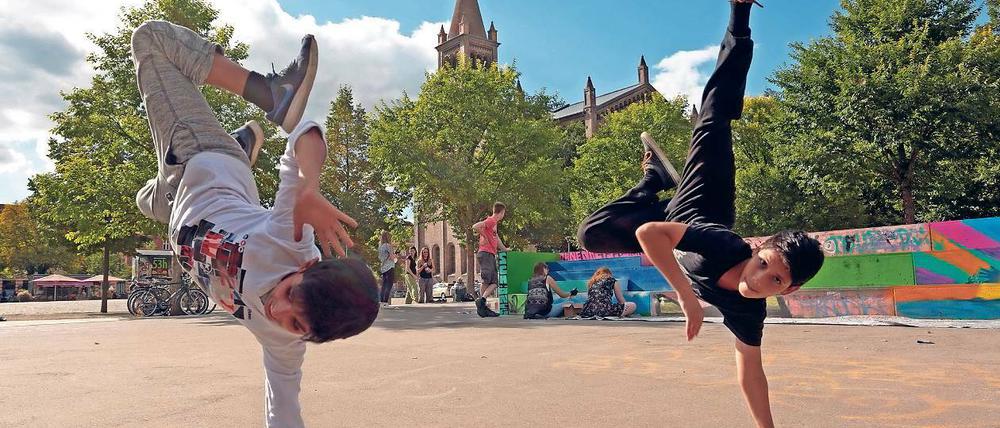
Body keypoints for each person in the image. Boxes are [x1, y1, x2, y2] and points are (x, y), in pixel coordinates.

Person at [575, 2, 824, 427]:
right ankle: (740, 15)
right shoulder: (725, 246)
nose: (758, 279)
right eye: (763, 265)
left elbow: (751, 371)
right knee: (714, 113)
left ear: (790, 289)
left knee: (591, 234)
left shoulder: (750, 312)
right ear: (757, 250)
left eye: (776, 280)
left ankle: (653, 177)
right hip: (703, 199)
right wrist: (690, 301)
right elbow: (652, 233)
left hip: (672, 222)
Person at [129, 20, 379, 427]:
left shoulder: (285, 341)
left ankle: (241, 148)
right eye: (290, 292)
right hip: (199, 156)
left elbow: (283, 410)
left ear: (308, 337)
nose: (275, 308)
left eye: (296, 323)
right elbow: (305, 131)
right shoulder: (290, 243)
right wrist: (308, 189)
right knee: (150, 42)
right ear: (303, 268)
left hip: (176, 202)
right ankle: (273, 95)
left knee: (144, 200)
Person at [471, 202, 507, 317]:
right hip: (486, 253)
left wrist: (505, 249)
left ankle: (482, 308)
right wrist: (485, 236)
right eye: (503, 213)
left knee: (486, 281)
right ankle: (481, 301)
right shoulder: (491, 221)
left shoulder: (494, 224)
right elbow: (475, 226)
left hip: (488, 253)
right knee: (494, 282)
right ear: (501, 212)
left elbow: (497, 240)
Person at [377, 232, 397, 305]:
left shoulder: (380, 247)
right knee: (389, 284)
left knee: (384, 285)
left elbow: (380, 258)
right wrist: (395, 256)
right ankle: (385, 301)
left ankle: (382, 301)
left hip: (383, 267)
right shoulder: (388, 245)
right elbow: (392, 257)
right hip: (390, 267)